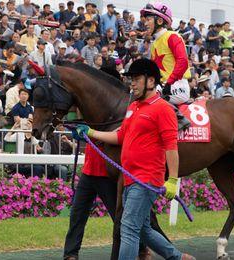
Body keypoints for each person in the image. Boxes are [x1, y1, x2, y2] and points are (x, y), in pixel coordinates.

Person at [71, 59, 194, 260]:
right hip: (130, 179)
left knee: (127, 228)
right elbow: (120, 136)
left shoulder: (163, 109)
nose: (132, 84)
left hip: (146, 179)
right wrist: (90, 132)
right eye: (131, 79)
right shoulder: (134, 107)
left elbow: (171, 148)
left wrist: (172, 180)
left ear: (151, 81)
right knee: (143, 229)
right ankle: (178, 258)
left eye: (136, 79)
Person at [141, 3, 191, 129]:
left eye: (148, 19)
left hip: (177, 86)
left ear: (159, 20)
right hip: (163, 85)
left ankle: (180, 119)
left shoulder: (172, 36)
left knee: (149, 95)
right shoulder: (154, 43)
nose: (145, 23)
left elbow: (183, 61)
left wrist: (169, 82)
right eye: (144, 20)